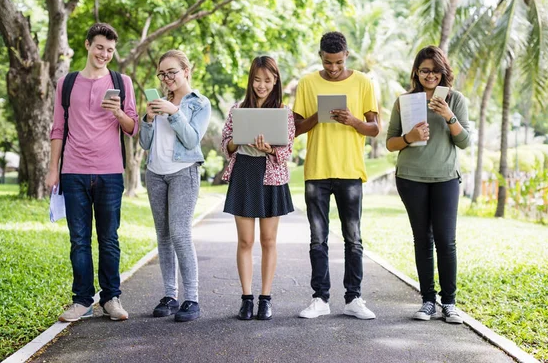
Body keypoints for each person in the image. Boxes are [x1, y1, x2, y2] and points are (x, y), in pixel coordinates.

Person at [46, 23, 138, 322]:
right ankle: (82, 301)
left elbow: (133, 127)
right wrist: (53, 170)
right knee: (79, 240)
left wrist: (118, 112)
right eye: (100, 47)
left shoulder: (122, 82)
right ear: (87, 45)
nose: (105, 54)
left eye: (110, 50)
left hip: (110, 173)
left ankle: (111, 298)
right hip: (73, 171)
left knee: (109, 238)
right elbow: (58, 128)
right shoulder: (67, 82)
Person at [293, 31, 379, 320]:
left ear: (347, 56)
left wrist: (353, 121)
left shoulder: (363, 82)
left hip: (350, 170)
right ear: (321, 56)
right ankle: (320, 298)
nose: (333, 68)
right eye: (328, 62)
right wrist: (318, 116)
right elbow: (294, 128)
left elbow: (375, 128)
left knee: (353, 238)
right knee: (318, 238)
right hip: (317, 170)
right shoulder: (307, 83)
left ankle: (354, 298)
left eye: (339, 62)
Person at [386, 45, 470, 324]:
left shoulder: (456, 100)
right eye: (424, 70)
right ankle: (427, 302)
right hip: (411, 178)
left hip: (446, 178)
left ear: (443, 72)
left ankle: (449, 303)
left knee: (446, 241)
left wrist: (449, 116)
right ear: (417, 73)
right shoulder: (405, 101)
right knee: (423, 240)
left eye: (435, 71)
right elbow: (390, 143)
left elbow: (465, 141)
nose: (430, 75)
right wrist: (409, 137)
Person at [221, 56, 295, 321]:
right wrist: (235, 141)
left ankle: (265, 298)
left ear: (275, 81)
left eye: (267, 80)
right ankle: (246, 298)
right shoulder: (237, 109)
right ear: (250, 80)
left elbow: (287, 151)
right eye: (257, 79)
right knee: (245, 241)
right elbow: (225, 145)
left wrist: (270, 149)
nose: (261, 85)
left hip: (271, 176)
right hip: (244, 172)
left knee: (268, 240)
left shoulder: (284, 112)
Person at [139, 50, 211, 322]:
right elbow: (145, 144)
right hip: (155, 174)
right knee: (164, 235)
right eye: (162, 74)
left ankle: (191, 299)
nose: (167, 78)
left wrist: (173, 113)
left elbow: (192, 140)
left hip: (183, 172)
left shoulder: (199, 103)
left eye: (172, 72)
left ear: (186, 71)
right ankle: (170, 295)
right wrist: (147, 119)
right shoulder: (157, 101)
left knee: (180, 233)